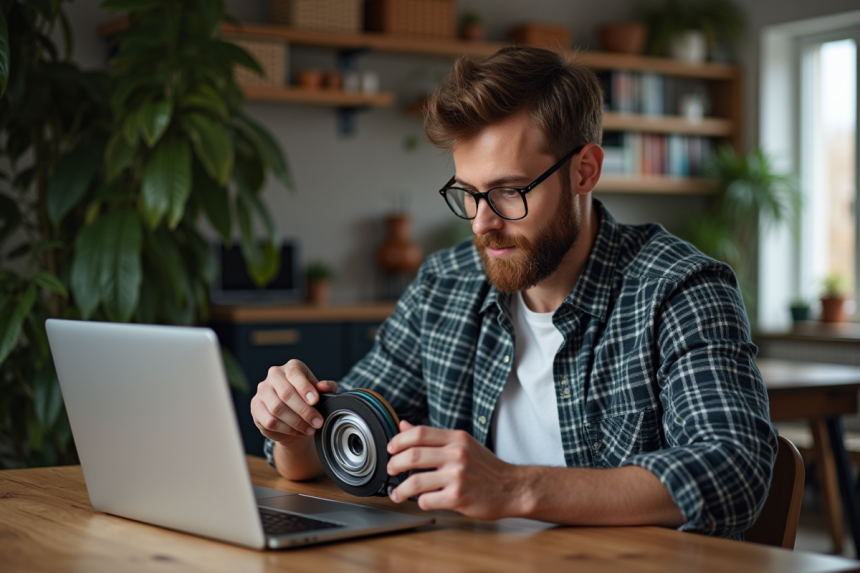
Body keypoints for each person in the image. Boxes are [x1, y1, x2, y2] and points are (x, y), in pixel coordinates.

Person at [250, 46, 777, 540]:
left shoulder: (678, 289)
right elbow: (343, 439)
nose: (482, 224)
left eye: (509, 191)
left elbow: (734, 468)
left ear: (584, 171)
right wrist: (296, 427)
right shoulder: (445, 286)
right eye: (469, 193)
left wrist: (514, 486)